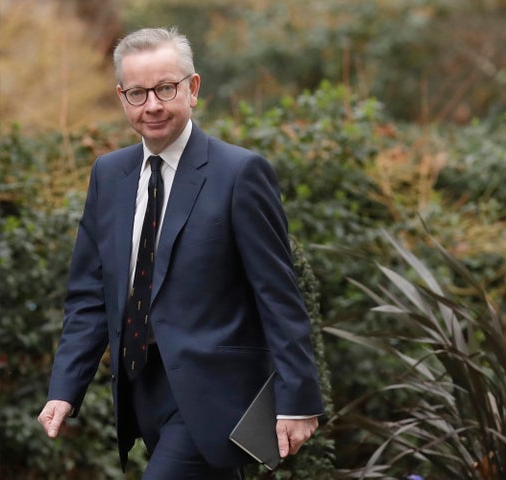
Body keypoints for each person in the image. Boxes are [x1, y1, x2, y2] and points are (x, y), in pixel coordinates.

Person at [38, 26, 324, 479]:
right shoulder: (108, 175)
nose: (152, 104)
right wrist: (64, 390)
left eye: (165, 88)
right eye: (137, 93)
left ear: (192, 89)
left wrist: (299, 400)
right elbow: (91, 297)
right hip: (140, 390)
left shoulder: (239, 174)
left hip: (216, 394)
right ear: (122, 97)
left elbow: (277, 294)